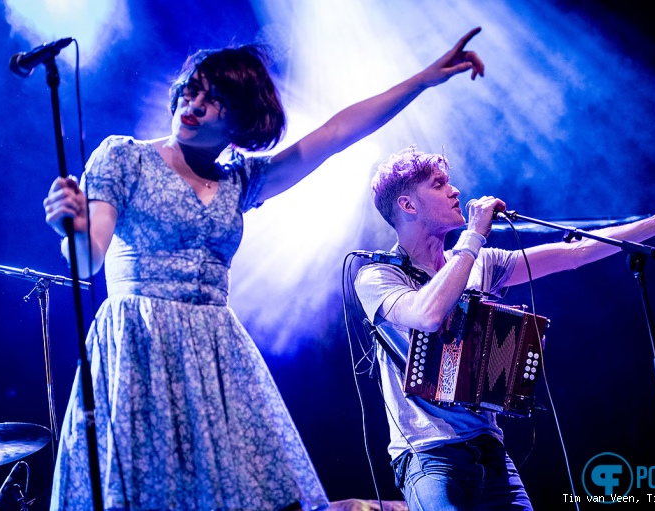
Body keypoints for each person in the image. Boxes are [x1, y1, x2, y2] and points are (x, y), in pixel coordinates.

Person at [41, 28, 485, 511]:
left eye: (213, 100)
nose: (192, 105)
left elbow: (336, 134)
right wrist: (74, 229)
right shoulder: (123, 157)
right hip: (139, 342)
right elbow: (87, 259)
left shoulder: (241, 182)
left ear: (242, 119)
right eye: (190, 90)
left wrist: (422, 80)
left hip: (217, 349)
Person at [353, 146, 655, 510]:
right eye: (438, 184)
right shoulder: (377, 275)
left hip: (489, 447)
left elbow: (572, 254)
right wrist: (473, 236)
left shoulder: (480, 263)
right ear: (407, 205)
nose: (454, 190)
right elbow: (428, 314)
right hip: (429, 455)